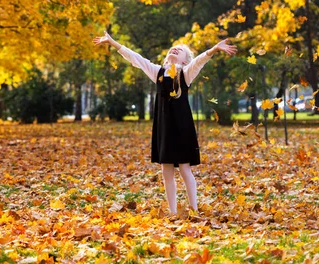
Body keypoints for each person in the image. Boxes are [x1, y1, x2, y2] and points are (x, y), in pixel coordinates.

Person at [93, 31, 237, 216]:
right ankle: (173, 212)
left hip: (182, 127)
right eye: (173, 48)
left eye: (181, 50)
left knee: (185, 169)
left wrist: (214, 49)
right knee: (166, 170)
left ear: (185, 61)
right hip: (164, 128)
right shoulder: (158, 73)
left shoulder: (185, 74)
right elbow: (135, 58)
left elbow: (199, 61)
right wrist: (112, 42)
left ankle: (193, 210)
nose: (175, 49)